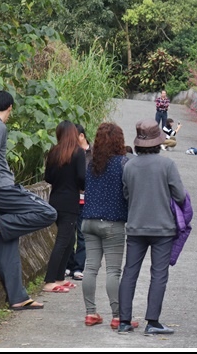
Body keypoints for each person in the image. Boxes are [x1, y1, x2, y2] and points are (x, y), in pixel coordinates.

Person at [0, 90, 57, 310]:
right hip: (1, 189)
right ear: (9, 108)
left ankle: (17, 296)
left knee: (7, 242)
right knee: (48, 213)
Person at [117, 119, 187, 335]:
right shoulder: (167, 165)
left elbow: (126, 195)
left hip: (136, 226)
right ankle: (152, 322)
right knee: (159, 274)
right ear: (158, 141)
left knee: (129, 272)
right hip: (163, 228)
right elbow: (180, 195)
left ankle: (124, 321)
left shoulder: (128, 165)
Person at [82, 123, 138, 329]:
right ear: (119, 140)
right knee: (113, 271)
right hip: (112, 223)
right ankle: (118, 316)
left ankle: (90, 314)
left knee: (90, 268)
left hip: (88, 221)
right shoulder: (124, 163)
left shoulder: (91, 164)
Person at [42, 121, 87, 293]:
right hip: (70, 202)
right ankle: (49, 281)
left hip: (55, 200)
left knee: (69, 242)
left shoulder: (54, 152)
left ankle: (59, 278)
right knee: (62, 241)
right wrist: (78, 186)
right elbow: (82, 177)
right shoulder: (78, 152)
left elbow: (48, 177)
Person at [66, 124, 92, 281]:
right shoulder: (69, 153)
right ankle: (68, 265)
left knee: (83, 234)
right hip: (71, 198)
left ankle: (78, 267)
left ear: (81, 136)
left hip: (87, 200)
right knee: (68, 234)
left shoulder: (94, 154)